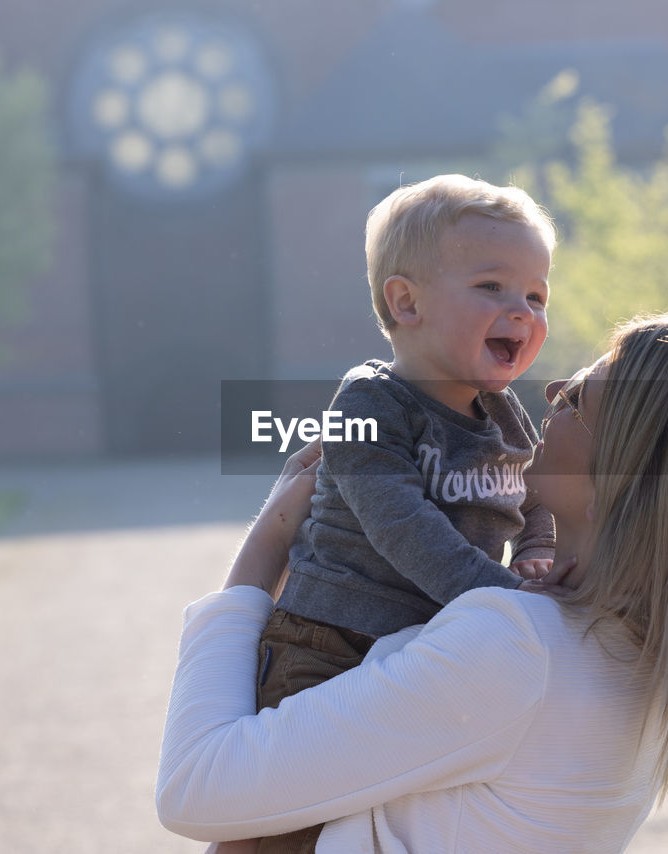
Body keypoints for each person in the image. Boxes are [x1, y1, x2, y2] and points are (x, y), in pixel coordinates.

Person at [158, 312, 668, 853]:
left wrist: (270, 538)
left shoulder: (519, 650)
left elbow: (197, 786)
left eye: (577, 400)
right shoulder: (655, 671)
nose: (550, 397)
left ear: (625, 482)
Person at [245, 174, 558, 853]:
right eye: (493, 288)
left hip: (432, 648)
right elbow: (402, 527)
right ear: (406, 302)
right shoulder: (370, 404)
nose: (523, 310)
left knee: (397, 821)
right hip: (331, 645)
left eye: (536, 295)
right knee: (278, 817)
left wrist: (538, 549)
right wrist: (506, 603)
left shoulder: (505, 414)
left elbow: (536, 498)